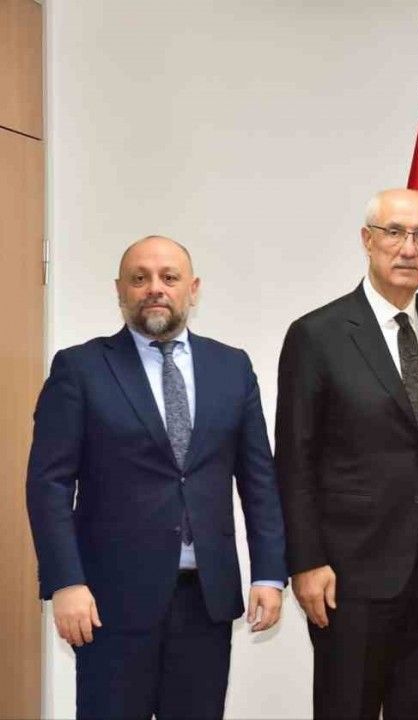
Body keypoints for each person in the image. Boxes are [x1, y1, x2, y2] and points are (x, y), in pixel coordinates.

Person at [26, 235, 286, 718]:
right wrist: (66, 582)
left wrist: (270, 573)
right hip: (108, 602)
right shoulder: (80, 368)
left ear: (193, 289)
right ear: (119, 290)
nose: (154, 288)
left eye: (169, 277)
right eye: (139, 278)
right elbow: (49, 485)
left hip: (206, 599)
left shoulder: (232, 367)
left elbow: (259, 480)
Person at [275, 189, 418, 719]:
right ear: (367, 240)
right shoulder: (316, 335)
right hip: (349, 573)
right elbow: (295, 461)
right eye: (394, 233)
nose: (408, 248)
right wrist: (306, 561)